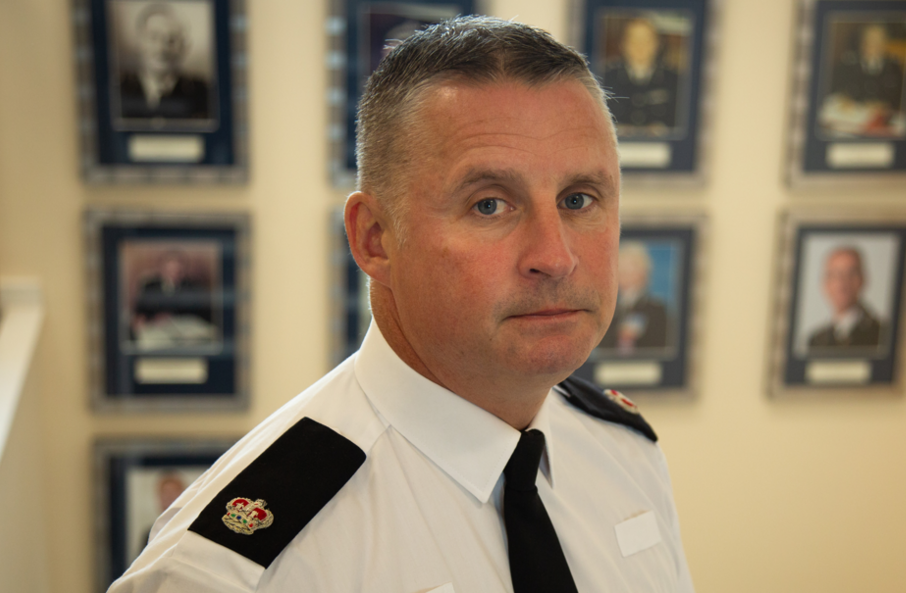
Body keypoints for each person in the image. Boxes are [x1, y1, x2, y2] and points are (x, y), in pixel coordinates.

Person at [108, 16, 693, 593]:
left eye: (579, 198)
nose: (555, 256)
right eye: (490, 204)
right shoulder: (237, 572)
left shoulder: (624, 453)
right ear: (375, 239)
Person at [116, 3, 212, 121]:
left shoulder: (204, 94)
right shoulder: (118, 90)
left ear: (184, 48)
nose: (162, 48)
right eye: (153, 37)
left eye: (171, 40)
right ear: (139, 43)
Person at [818, 23, 906, 138]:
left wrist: (884, 107)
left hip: (880, 123)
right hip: (853, 119)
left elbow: (899, 98)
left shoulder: (893, 67)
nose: (872, 45)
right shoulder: (847, 65)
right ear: (861, 43)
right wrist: (843, 100)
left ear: (885, 44)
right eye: (868, 40)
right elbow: (835, 91)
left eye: (878, 41)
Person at [600, 17, 680, 135]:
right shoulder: (605, 79)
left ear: (658, 44)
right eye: (633, 40)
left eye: (646, 40)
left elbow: (680, 127)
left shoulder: (674, 80)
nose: (640, 46)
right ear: (622, 44)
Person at [130, 250, 215, 348]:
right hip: (158, 328)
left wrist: (171, 316)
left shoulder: (194, 287)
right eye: (170, 270)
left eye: (178, 270)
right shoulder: (150, 286)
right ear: (162, 269)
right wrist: (142, 318)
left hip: (185, 327)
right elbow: (141, 310)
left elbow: (202, 314)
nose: (174, 273)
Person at [599, 240, 669, 353]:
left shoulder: (656, 309)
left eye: (629, 268)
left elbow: (661, 348)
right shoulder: (610, 310)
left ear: (643, 273)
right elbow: (602, 348)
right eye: (620, 268)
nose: (623, 273)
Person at [807, 246, 883, 349]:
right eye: (835, 275)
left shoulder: (880, 333)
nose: (842, 283)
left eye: (850, 274)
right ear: (825, 284)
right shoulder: (817, 340)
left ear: (862, 280)